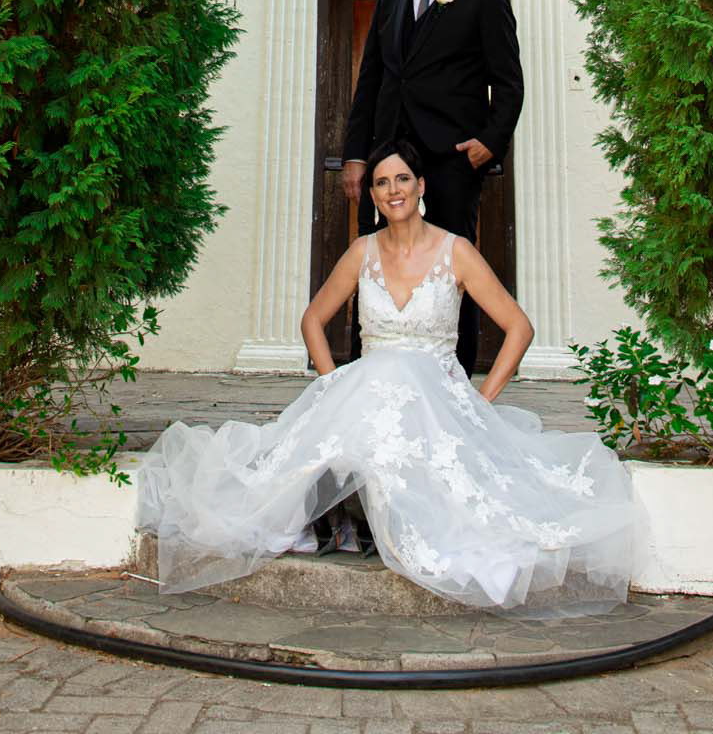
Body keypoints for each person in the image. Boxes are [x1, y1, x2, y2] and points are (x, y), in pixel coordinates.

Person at [137, 140, 635, 614]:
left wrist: (480, 401)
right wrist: (331, 384)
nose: (393, 190)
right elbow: (313, 320)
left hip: (435, 398)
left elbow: (519, 328)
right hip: (367, 389)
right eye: (381, 182)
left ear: (421, 186)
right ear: (373, 195)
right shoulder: (362, 252)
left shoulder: (456, 251)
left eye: (402, 179)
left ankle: (356, 517)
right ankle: (343, 512)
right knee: (366, 392)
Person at [342, 0, 524, 373]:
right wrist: (357, 156)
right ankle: (365, 378)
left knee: (451, 273)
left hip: (451, 161)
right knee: (375, 268)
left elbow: (509, 82)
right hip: (387, 161)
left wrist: (489, 142)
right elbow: (371, 82)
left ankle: (454, 381)